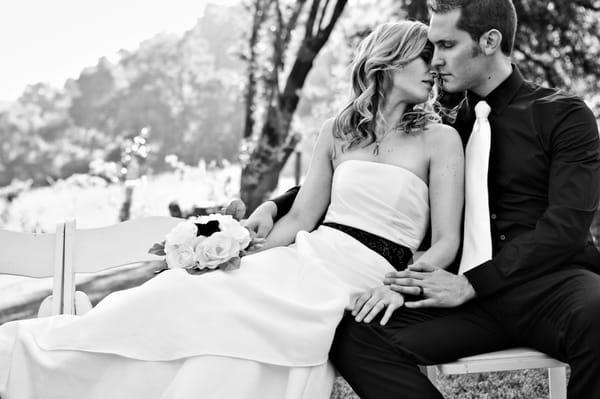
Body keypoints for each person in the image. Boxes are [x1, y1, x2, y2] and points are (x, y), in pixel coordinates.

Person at [0, 21, 464, 399]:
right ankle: (52, 356)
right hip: (308, 254)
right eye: (427, 56)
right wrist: (237, 254)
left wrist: (400, 287)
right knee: (194, 291)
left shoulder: (440, 138)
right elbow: (301, 218)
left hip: (363, 276)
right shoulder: (338, 131)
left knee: (243, 332)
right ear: (391, 59)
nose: (436, 66)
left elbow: (446, 239)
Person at [246, 1, 600, 397]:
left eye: (446, 46)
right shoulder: (438, 127)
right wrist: (275, 205)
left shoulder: (563, 115)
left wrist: (473, 284)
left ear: (489, 41)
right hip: (459, 297)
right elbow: (366, 176)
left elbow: (567, 227)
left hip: (547, 286)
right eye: (430, 50)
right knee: (356, 336)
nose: (435, 63)